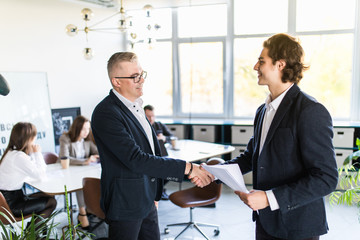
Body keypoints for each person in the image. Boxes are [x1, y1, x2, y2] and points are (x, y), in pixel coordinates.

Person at [91, 52, 214, 240]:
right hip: (126, 204)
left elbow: (152, 152)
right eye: (134, 77)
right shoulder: (106, 113)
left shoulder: (137, 107)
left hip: (146, 199)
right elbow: (135, 159)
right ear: (116, 81)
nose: (141, 80)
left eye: (142, 74)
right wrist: (188, 168)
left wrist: (154, 195)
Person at [227, 33, 338, 239]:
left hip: (297, 226)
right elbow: (251, 157)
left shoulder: (310, 111)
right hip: (265, 222)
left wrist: (269, 198)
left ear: (280, 65)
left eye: (261, 61)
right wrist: (213, 173)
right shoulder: (263, 110)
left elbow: (326, 178)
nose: (255, 67)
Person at [0, 122, 57, 225]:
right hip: (12, 205)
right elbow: (41, 175)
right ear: (29, 139)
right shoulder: (19, 157)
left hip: (11, 199)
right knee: (51, 202)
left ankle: (35, 230)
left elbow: (35, 171)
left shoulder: (12, 153)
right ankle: (32, 233)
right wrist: (37, 153)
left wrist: (32, 154)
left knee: (49, 196)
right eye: (34, 138)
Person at [58, 115, 99, 229]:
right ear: (77, 128)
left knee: (92, 181)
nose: (87, 132)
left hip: (83, 171)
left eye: (88, 128)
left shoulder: (86, 140)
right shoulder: (65, 138)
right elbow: (64, 157)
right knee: (81, 184)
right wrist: (85, 161)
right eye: (84, 129)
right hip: (66, 172)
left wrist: (96, 155)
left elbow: (97, 151)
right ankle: (82, 213)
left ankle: (90, 209)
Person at [144, 104, 174, 200]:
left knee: (170, 169)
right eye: (148, 116)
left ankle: (159, 189)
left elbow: (173, 137)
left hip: (161, 154)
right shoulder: (141, 126)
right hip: (147, 157)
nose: (151, 119)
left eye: (153, 116)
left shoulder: (159, 125)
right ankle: (157, 190)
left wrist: (164, 138)